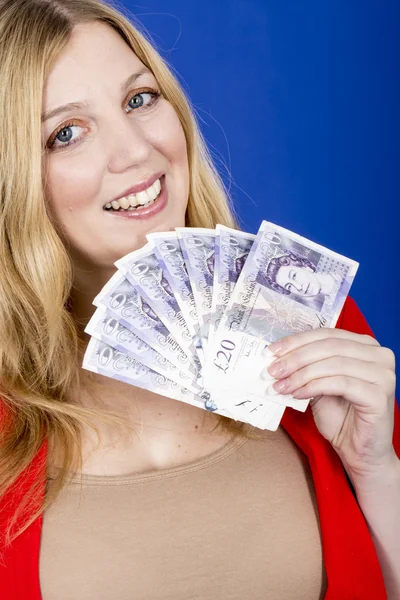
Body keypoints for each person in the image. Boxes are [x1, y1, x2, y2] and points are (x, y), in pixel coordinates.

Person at [0, 1, 399, 599]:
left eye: (139, 99)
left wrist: (376, 471)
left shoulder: (309, 326)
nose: (137, 151)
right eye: (66, 133)